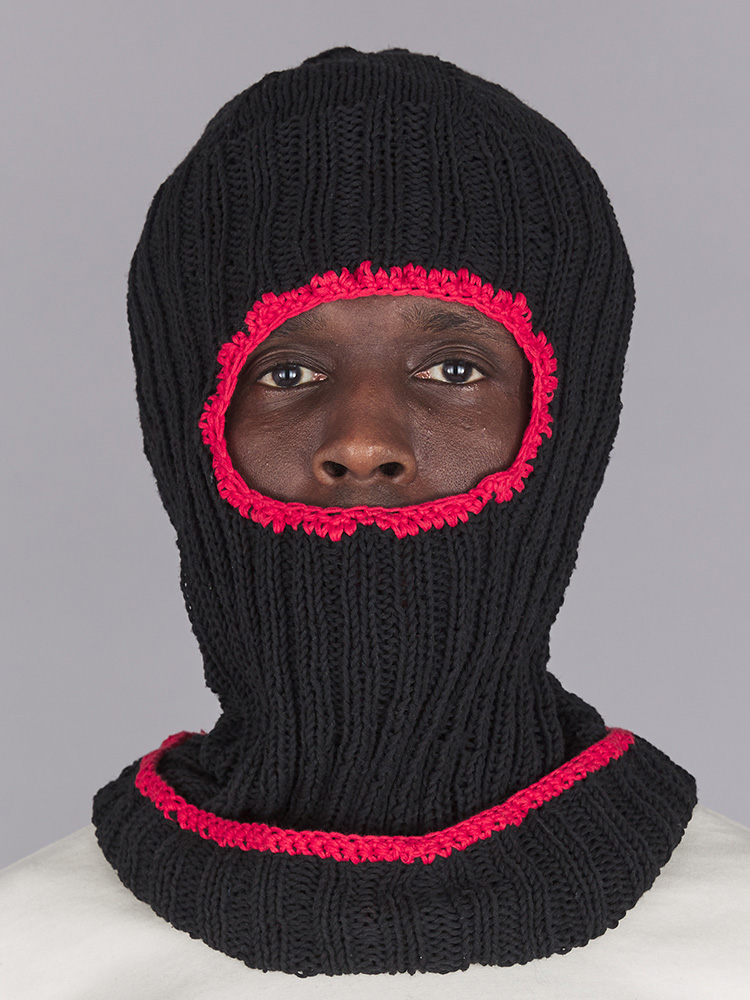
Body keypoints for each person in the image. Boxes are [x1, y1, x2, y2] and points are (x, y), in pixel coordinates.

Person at [1, 46, 749, 998]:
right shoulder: (26, 954)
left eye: (454, 369)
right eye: (287, 373)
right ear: (181, 433)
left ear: (571, 428)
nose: (362, 444)